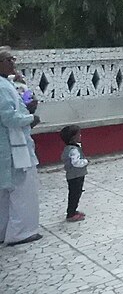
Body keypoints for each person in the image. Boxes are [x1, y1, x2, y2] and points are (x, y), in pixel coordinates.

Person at [0, 46, 42, 246]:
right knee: (22, 192)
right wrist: (31, 118)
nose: (13, 63)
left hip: (12, 147)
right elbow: (9, 118)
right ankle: (21, 232)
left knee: (7, 195)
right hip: (12, 149)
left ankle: (6, 231)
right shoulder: (1, 87)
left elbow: (17, 106)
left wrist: (28, 105)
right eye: (9, 59)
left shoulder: (7, 84)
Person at [60, 125, 89, 222]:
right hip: (75, 175)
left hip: (75, 175)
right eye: (78, 134)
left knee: (76, 193)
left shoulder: (71, 148)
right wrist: (85, 162)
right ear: (73, 137)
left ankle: (73, 211)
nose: (80, 136)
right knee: (74, 194)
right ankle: (71, 214)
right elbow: (75, 163)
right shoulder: (73, 150)